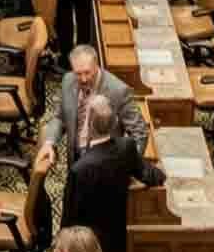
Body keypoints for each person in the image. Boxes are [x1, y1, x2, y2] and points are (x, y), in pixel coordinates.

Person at [60, 92, 163, 252]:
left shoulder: (79, 170)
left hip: (86, 246)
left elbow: (69, 218)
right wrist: (162, 174)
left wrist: (63, 251)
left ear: (88, 124)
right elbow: (150, 175)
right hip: (115, 237)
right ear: (115, 121)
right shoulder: (126, 147)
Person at [39, 45, 150, 174]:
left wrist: (127, 167)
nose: (83, 79)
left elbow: (140, 132)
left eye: (87, 72)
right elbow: (60, 117)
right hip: (75, 156)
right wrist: (49, 142)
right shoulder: (68, 80)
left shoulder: (118, 90)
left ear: (96, 66)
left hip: (105, 163)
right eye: (78, 74)